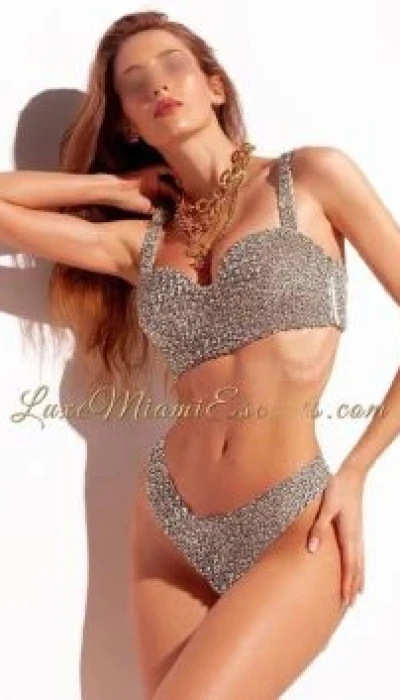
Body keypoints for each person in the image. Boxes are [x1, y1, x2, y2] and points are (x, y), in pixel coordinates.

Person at [1, 9, 400, 700]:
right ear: (128, 123)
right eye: (134, 83)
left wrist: (358, 471)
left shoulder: (312, 178)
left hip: (296, 518)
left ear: (214, 85)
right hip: (168, 529)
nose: (158, 85)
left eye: (174, 65)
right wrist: (110, 189)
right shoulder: (142, 245)